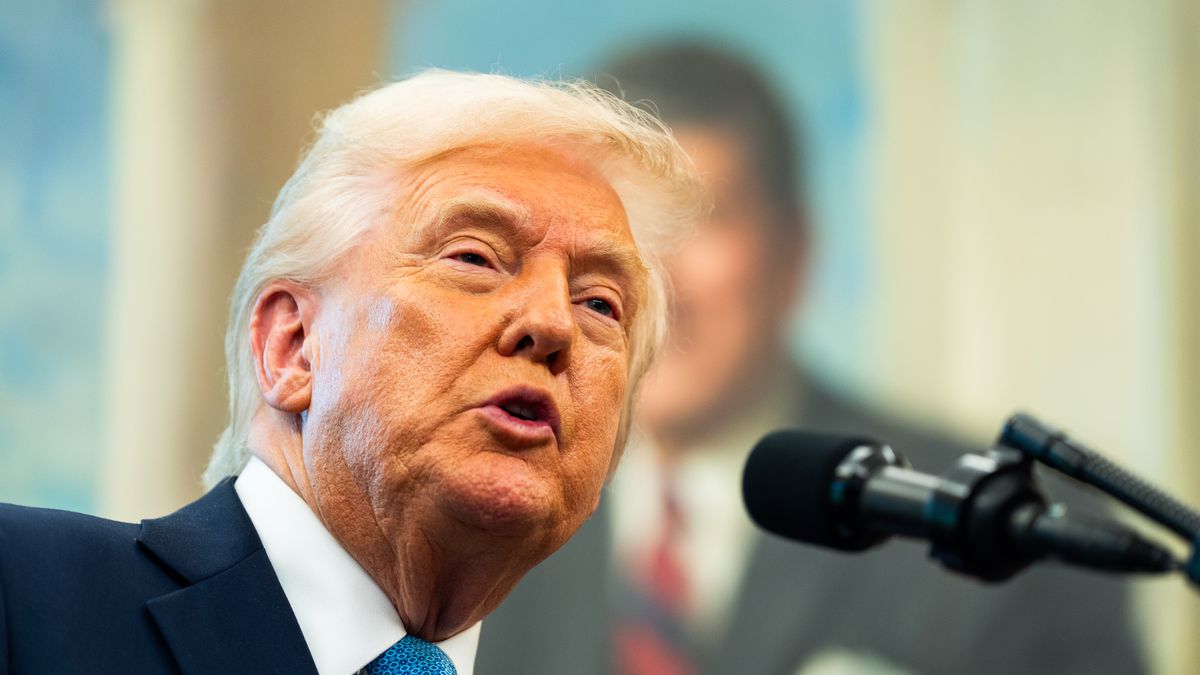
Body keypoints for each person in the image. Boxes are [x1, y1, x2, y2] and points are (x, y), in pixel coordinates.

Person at [476, 42, 1148, 675]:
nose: (658, 281)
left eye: (700, 222)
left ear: (793, 253)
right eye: (622, 231)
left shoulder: (1009, 543)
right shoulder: (484, 528)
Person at [0, 70, 703, 674]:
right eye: (474, 258)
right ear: (294, 346)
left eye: (601, 304)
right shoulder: (23, 594)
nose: (553, 325)